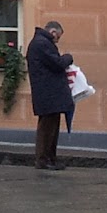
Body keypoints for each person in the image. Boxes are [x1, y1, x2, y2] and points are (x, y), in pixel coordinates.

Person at [26, 20, 73, 170]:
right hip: (48, 94)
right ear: (53, 32)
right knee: (47, 128)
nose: (57, 41)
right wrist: (68, 57)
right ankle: (44, 159)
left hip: (48, 94)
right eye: (57, 37)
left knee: (51, 127)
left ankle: (49, 159)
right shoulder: (42, 44)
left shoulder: (39, 42)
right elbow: (58, 63)